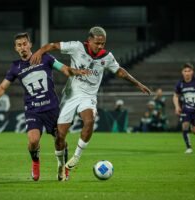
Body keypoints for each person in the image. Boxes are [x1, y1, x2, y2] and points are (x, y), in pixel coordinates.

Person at [30, 26, 151, 179]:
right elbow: (53, 45)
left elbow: (119, 70)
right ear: (89, 40)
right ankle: (61, 165)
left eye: (103, 43)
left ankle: (76, 158)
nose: (100, 46)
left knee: (89, 120)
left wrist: (138, 83)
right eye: (97, 43)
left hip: (88, 97)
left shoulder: (106, 56)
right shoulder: (76, 47)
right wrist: (40, 51)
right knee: (60, 136)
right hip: (70, 95)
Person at [0, 32, 88, 181]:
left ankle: (63, 167)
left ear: (30, 44)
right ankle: (35, 162)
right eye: (19, 45)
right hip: (33, 110)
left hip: (52, 108)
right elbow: (3, 86)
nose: (23, 47)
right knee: (33, 141)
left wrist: (76, 72)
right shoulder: (15, 67)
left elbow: (64, 68)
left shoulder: (45, 58)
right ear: (15, 48)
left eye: (25, 44)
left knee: (60, 140)